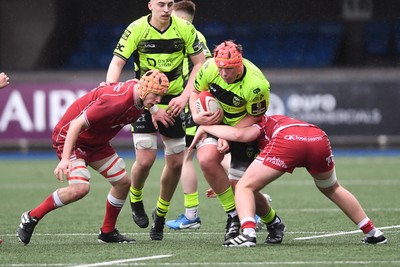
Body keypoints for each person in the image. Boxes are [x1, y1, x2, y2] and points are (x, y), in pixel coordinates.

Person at [17, 70, 170, 245]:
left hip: (96, 142)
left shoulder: (140, 94)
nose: (158, 100)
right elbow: (75, 125)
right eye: (156, 95)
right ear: (144, 89)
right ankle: (31, 217)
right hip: (72, 139)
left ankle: (107, 232)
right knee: (80, 188)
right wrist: (66, 159)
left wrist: (155, 109)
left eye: (160, 96)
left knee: (123, 183)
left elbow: (135, 80)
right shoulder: (115, 102)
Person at [189, 114, 388, 247]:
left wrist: (206, 127)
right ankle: (373, 233)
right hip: (318, 137)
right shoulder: (280, 120)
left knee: (244, 186)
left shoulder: (258, 124)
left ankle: (248, 234)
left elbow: (238, 134)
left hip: (289, 140)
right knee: (332, 188)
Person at [104, 0, 206, 240]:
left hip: (174, 102)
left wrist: (184, 96)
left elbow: (200, 63)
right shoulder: (136, 28)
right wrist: (110, 90)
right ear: (150, 5)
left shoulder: (184, 28)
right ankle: (136, 197)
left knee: (176, 162)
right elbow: (117, 63)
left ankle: (160, 215)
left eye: (170, 4)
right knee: (147, 157)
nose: (166, 9)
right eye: (161, 4)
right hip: (144, 99)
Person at [188, 40, 285, 244]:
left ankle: (273, 221)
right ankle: (233, 217)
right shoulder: (209, 67)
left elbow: (254, 117)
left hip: (244, 128)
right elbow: (196, 93)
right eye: (221, 68)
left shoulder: (257, 84)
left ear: (239, 64)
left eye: (229, 69)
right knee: (205, 160)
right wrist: (197, 117)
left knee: (240, 185)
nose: (223, 73)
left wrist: (228, 134)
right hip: (216, 122)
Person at [165, 0, 213, 231]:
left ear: (181, 19)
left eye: (171, 15)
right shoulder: (199, 36)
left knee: (189, 157)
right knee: (217, 154)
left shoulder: (185, 35)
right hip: (205, 103)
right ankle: (253, 200)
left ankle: (191, 215)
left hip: (192, 105)